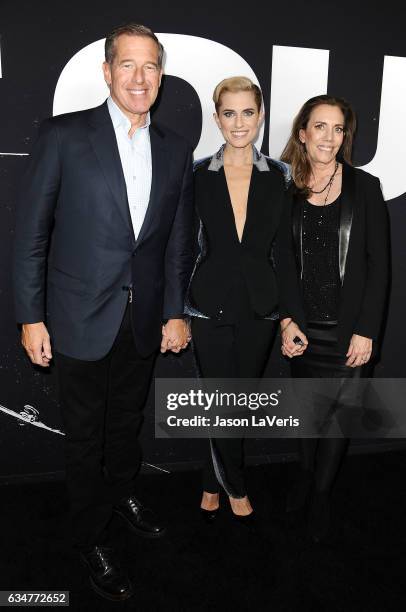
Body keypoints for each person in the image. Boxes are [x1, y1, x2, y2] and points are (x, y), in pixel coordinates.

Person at [13, 23, 193, 601]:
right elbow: (30, 235)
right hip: (75, 317)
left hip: (141, 321)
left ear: (161, 76)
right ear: (108, 71)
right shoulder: (64, 136)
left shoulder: (174, 148)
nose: (140, 78)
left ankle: (118, 495)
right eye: (128, 65)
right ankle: (90, 535)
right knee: (85, 437)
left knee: (125, 425)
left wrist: (174, 311)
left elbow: (175, 244)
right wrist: (30, 316)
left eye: (151, 68)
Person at [276, 95, 390, 542]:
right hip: (304, 327)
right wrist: (287, 321)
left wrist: (367, 331)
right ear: (302, 133)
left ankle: (322, 495)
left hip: (349, 332)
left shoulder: (365, 186)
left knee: (340, 418)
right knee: (307, 414)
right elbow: (281, 262)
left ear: (345, 136)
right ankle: (304, 478)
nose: (328, 137)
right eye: (319, 127)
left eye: (338, 129)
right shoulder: (284, 189)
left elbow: (380, 265)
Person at [186, 77, 290, 524]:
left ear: (260, 115)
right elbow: (183, 246)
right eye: (229, 113)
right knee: (218, 396)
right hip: (208, 302)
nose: (239, 122)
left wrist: (286, 315)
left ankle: (212, 481)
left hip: (260, 303)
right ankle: (235, 485)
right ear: (217, 118)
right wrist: (177, 309)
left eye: (248, 112)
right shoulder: (196, 174)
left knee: (240, 398)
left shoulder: (280, 175)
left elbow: (284, 250)